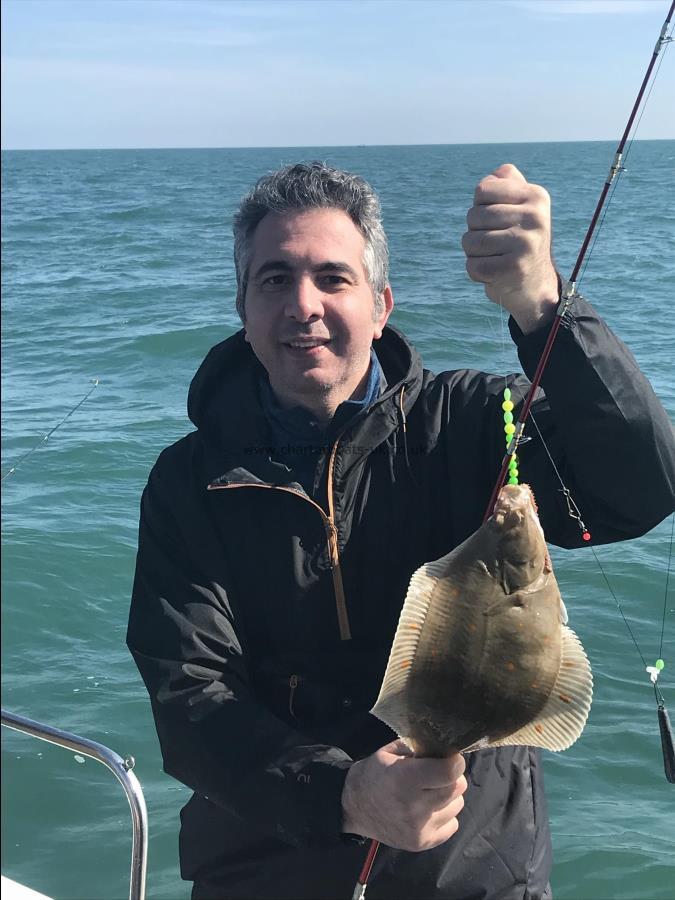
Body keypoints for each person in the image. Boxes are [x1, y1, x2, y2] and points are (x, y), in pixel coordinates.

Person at [127, 161, 675, 900]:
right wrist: (342, 794)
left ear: (380, 304)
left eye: (332, 277)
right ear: (243, 305)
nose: (302, 304)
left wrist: (544, 306)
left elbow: (640, 490)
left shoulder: (481, 421)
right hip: (263, 865)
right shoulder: (187, 480)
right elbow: (188, 690)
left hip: (474, 869)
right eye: (274, 279)